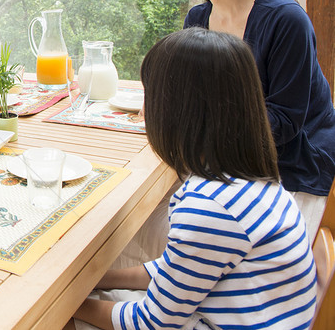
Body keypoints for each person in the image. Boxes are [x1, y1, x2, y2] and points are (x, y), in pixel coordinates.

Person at [70, 28, 317, 330]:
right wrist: (99, 277)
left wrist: (71, 305)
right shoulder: (250, 180)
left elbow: (153, 323)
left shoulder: (209, 207)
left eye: (149, 94)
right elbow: (181, 268)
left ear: (176, 111)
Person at [170, 0, 335, 231]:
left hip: (293, 169)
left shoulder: (285, 19)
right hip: (229, 160)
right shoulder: (197, 20)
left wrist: (203, 132)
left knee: (191, 229)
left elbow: (285, 122)